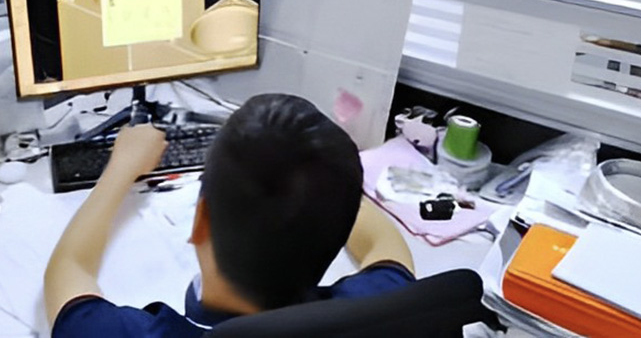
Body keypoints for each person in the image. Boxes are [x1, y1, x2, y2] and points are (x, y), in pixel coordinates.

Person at [44, 93, 415, 336]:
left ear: (200, 220)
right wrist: (323, 182)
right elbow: (386, 245)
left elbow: (69, 270)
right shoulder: (381, 311)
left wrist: (122, 166)